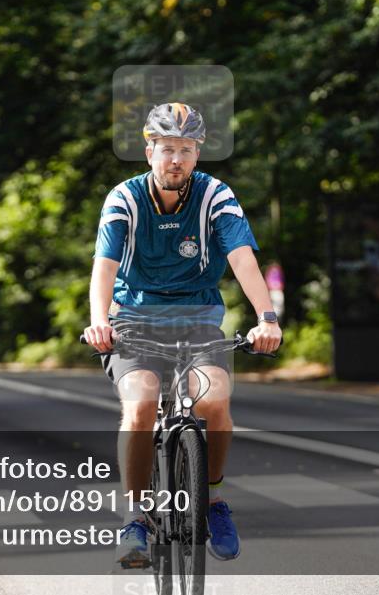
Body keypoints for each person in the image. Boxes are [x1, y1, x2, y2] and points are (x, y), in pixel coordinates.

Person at [83, 102, 282, 568]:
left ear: (197, 154)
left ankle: (212, 501)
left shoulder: (215, 196)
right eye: (167, 148)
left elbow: (242, 258)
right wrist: (99, 319)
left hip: (198, 320)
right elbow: (103, 269)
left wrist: (266, 317)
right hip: (133, 321)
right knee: (141, 401)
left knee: (214, 401)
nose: (177, 159)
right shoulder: (125, 199)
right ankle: (134, 518)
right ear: (149, 151)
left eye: (187, 150)